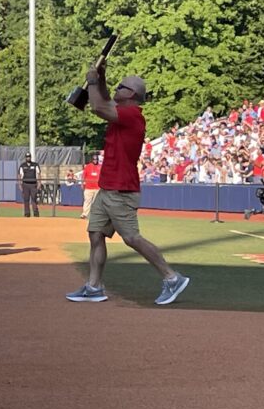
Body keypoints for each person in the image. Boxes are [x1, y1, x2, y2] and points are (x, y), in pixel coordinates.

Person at [65, 66, 190, 305]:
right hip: (108, 187)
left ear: (131, 93)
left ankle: (172, 277)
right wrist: (100, 79)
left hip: (121, 189)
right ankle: (94, 286)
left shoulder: (132, 115)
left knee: (132, 238)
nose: (116, 88)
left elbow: (98, 106)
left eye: (121, 86)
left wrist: (92, 83)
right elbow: (104, 100)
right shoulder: (122, 110)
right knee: (95, 234)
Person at [17, 151, 41, 217]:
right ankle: (27, 213)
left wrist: (39, 183)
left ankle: (36, 213)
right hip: (25, 184)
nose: (28, 158)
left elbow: (38, 174)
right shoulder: (22, 166)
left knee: (34, 199)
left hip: (33, 184)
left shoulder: (35, 165)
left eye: (29, 157)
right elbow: (19, 175)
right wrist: (20, 184)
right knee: (26, 199)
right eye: (27, 157)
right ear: (25, 158)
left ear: (31, 157)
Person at [81, 153, 101, 219]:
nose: (95, 161)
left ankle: (95, 215)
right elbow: (83, 176)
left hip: (97, 187)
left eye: (96, 159)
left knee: (96, 203)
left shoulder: (100, 166)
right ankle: (84, 214)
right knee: (87, 201)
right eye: (94, 159)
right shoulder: (88, 166)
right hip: (88, 187)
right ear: (92, 160)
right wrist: (82, 183)